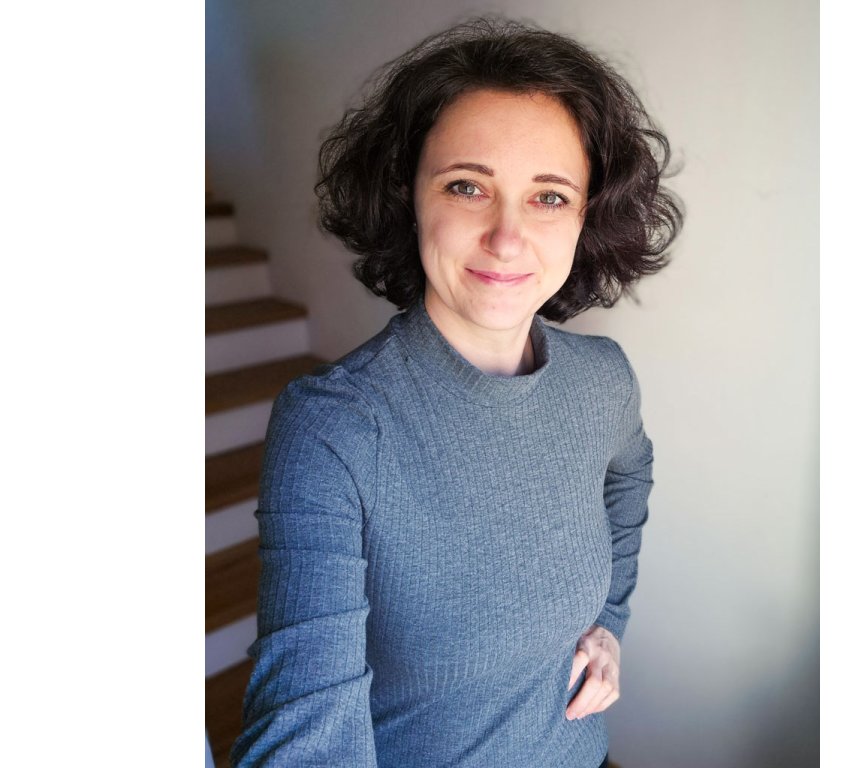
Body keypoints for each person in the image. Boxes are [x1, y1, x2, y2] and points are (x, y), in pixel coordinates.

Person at [230, 17, 682, 768]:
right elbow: (306, 718)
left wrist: (610, 618)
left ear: (586, 216)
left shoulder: (604, 380)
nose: (506, 238)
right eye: (467, 187)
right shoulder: (335, 427)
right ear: (409, 196)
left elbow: (630, 476)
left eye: (548, 197)